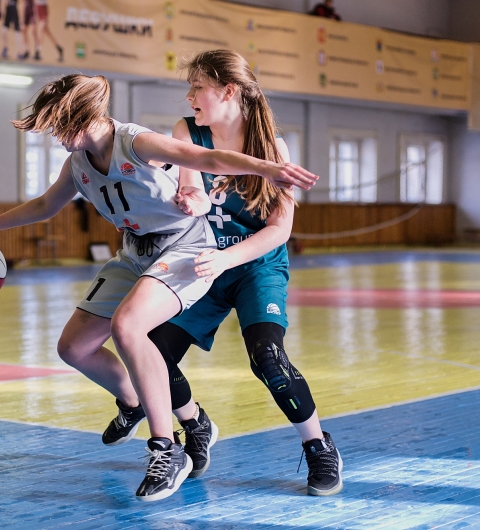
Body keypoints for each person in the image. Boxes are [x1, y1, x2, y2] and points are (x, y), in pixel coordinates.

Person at [0, 73, 318, 502]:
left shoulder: (136, 142)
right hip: (136, 251)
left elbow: (206, 158)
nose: (54, 136)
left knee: (129, 326)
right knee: (74, 347)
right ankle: (136, 401)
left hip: (184, 246)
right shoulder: (78, 162)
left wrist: (268, 168)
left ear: (80, 116)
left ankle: (166, 449)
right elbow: (46, 205)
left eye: (57, 125)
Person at [105, 49, 343, 496]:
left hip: (255, 266)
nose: (190, 96)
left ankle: (318, 445)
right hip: (202, 259)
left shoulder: (272, 149)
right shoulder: (187, 131)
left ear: (228, 91)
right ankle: (195, 422)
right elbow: (192, 183)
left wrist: (228, 258)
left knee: (268, 358)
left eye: (198, 87)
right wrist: (191, 198)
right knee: (152, 349)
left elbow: (279, 230)